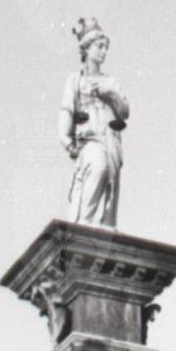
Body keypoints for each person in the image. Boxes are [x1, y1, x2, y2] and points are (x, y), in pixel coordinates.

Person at [60, 18, 129, 229]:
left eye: (106, 47)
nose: (104, 51)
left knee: (110, 184)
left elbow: (124, 111)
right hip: (90, 139)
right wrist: (66, 139)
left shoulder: (111, 82)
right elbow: (67, 110)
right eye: (100, 46)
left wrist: (110, 94)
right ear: (87, 48)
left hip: (111, 141)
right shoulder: (76, 80)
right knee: (98, 165)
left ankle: (104, 228)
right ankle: (84, 224)